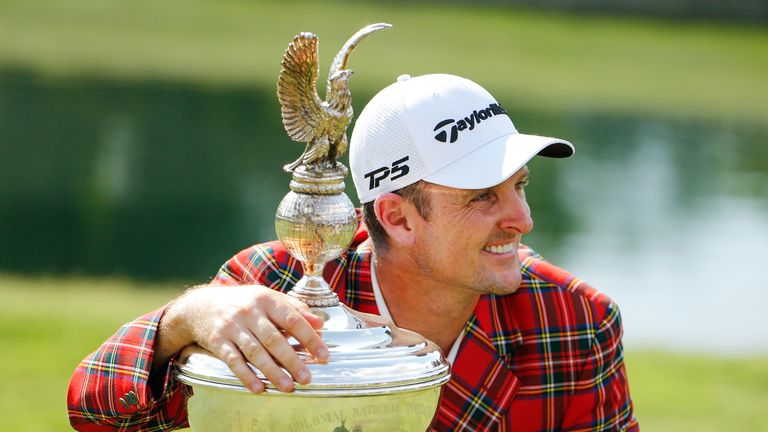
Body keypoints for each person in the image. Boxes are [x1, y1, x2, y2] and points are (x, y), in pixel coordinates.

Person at [68, 74, 638, 431]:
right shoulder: (274, 282)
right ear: (397, 217)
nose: (522, 219)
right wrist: (182, 319)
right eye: (483, 196)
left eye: (521, 185)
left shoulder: (574, 320)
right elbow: (94, 413)